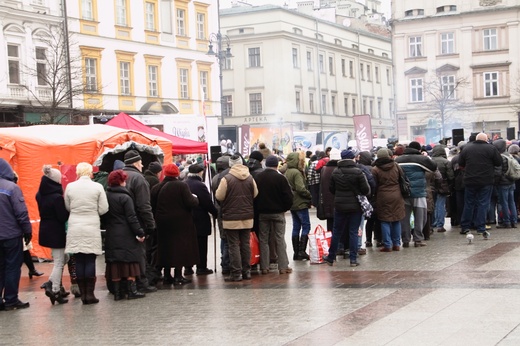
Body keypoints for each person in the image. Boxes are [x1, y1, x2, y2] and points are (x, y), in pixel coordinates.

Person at [64, 162, 109, 304]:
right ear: (90, 173)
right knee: (90, 259)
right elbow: (104, 208)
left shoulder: (70, 187)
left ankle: (82, 294)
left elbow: (67, 206)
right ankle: (90, 294)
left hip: (75, 225)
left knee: (78, 258)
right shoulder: (97, 187)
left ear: (77, 172)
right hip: (91, 225)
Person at [151, 164, 199, 286]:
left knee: (165, 248)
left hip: (162, 223)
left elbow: (152, 205)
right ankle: (178, 275)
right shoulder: (181, 186)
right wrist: (195, 198)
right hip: (181, 222)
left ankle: (167, 275)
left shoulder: (157, 187)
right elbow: (191, 202)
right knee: (179, 248)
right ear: (177, 174)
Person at [322, 151, 370, 266]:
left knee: (337, 231)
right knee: (353, 232)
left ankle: (331, 257)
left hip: (339, 205)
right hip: (355, 207)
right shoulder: (358, 172)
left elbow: (331, 189)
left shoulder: (336, 172)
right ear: (353, 159)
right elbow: (366, 190)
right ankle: (353, 259)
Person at [103, 170, 146, 300]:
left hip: (111, 233)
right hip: (126, 234)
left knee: (115, 264)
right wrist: (139, 232)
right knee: (130, 262)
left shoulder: (106, 196)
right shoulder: (125, 197)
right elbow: (131, 217)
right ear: (121, 181)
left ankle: (117, 293)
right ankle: (131, 291)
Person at [215, 154, 258, 282]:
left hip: (231, 218)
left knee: (233, 245)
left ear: (230, 164)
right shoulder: (250, 177)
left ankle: (236, 273)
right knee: (245, 244)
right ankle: (247, 271)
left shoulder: (226, 179)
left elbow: (219, 196)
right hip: (247, 216)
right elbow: (255, 193)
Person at [122, 150, 157, 293]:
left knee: (126, 254)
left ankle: (126, 283)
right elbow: (144, 205)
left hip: (121, 222)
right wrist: (150, 224)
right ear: (136, 163)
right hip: (137, 221)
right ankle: (142, 282)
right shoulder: (139, 178)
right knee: (140, 252)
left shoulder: (119, 175)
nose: (142, 165)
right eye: (141, 162)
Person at [0, 158, 32, 311]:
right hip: (11, 235)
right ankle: (11, 299)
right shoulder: (12, 188)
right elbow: (21, 213)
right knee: (12, 267)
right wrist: (27, 230)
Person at [36, 165, 70, 305]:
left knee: (62, 258)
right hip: (56, 232)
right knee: (59, 262)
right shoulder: (56, 197)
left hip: (45, 230)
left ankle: (53, 285)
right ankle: (53, 288)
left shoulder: (40, 195)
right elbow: (62, 217)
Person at [255, 155, 293, 275]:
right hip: (278, 213)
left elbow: (254, 195)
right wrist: (284, 208)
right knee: (279, 239)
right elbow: (288, 196)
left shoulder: (258, 177)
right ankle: (283, 267)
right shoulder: (281, 178)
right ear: (277, 165)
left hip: (263, 213)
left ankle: (264, 267)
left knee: (263, 240)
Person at [395, 142, 438, 247]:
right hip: (419, 193)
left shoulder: (398, 160)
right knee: (421, 217)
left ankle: (405, 240)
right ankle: (418, 239)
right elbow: (433, 168)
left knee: (404, 218)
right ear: (419, 150)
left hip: (403, 193)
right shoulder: (421, 159)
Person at [459, 133, 502, 238]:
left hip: (470, 180)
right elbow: (498, 162)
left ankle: (465, 227)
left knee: (469, 203)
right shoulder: (491, 148)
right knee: (483, 204)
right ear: (486, 139)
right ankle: (481, 227)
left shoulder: (466, 148)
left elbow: (461, 163)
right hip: (486, 181)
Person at [185, 163, 218, 275]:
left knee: (188, 244)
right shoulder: (200, 185)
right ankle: (201, 267)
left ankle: (188, 267)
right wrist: (215, 213)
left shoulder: (184, 183)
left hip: (188, 218)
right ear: (200, 173)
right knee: (201, 245)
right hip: (200, 219)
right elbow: (207, 203)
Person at [372, 148, 405, 252]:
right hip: (396, 194)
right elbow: (402, 178)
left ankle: (387, 244)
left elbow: (374, 184)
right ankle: (397, 244)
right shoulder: (396, 166)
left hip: (382, 196)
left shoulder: (375, 169)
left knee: (384, 220)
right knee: (396, 219)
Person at [284, 151, 312, 261]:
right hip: (300, 202)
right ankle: (301, 251)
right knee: (306, 226)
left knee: (296, 226)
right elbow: (300, 188)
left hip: (292, 203)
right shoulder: (296, 172)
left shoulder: (287, 172)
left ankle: (296, 253)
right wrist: (309, 195)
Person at [212, 154, 232, 275]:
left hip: (219, 210)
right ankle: (226, 263)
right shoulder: (226, 177)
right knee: (228, 239)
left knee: (223, 237)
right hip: (226, 209)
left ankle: (223, 259)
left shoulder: (215, 178)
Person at [493, 139, 517, 228]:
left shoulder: (500, 157)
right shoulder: (510, 156)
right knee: (512, 202)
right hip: (511, 181)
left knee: (504, 203)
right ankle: (513, 221)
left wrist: (495, 182)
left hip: (503, 183)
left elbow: (498, 172)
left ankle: (506, 221)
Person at [431, 145, 454, 233]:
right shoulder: (446, 162)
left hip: (432, 185)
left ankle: (433, 223)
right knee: (440, 205)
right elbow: (451, 176)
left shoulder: (429, 161)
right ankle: (440, 225)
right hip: (443, 185)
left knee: (432, 205)